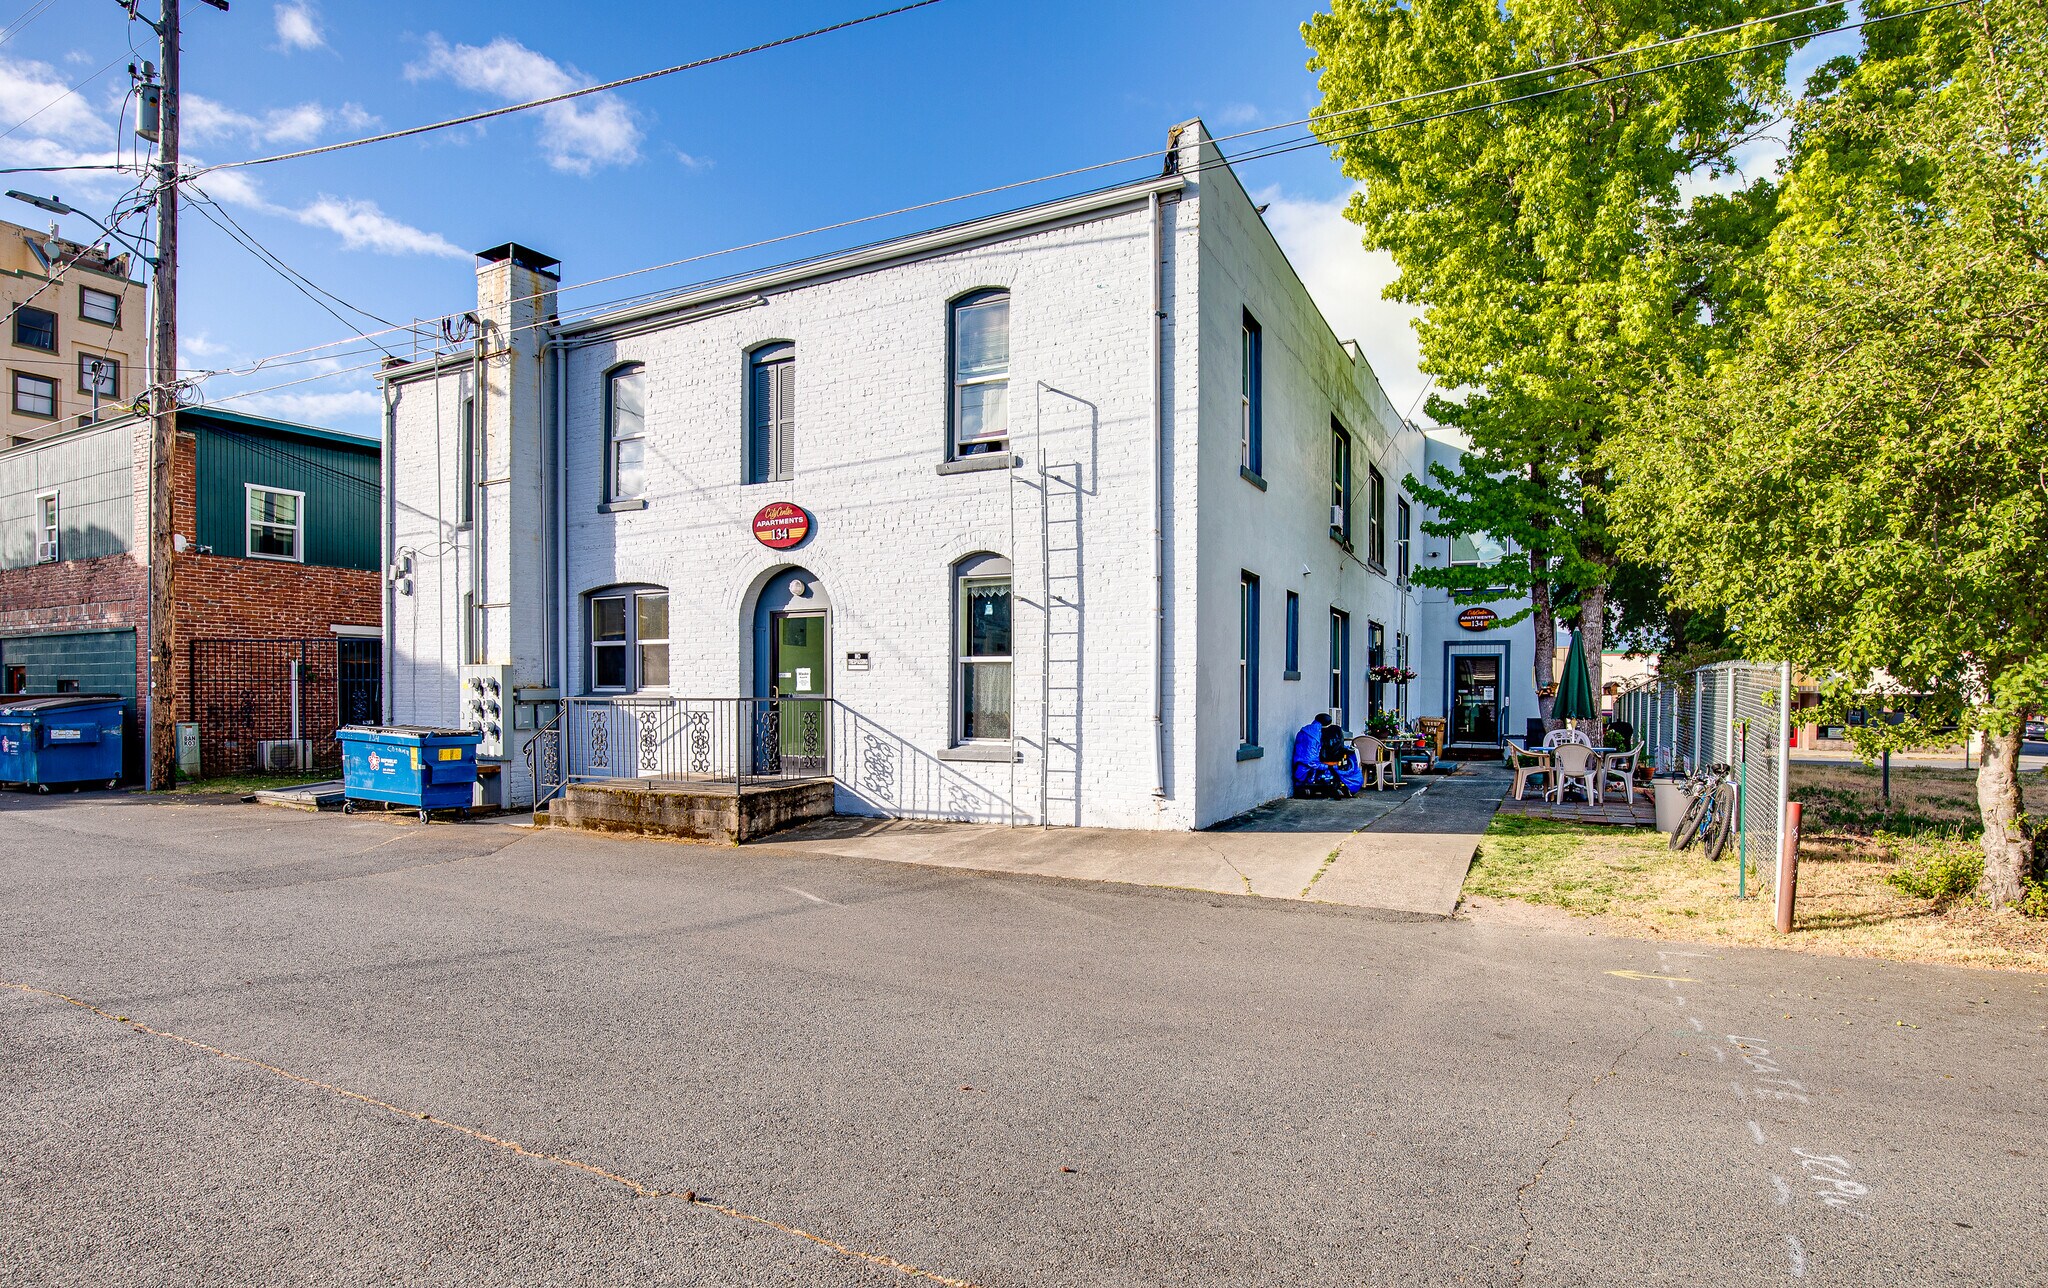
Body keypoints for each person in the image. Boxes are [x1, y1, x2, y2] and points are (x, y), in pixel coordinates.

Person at [1293, 713, 1364, 798]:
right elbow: (1310, 759)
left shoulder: (1306, 731)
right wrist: (1327, 766)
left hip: (1306, 764)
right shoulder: (1314, 735)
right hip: (1307, 769)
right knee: (1348, 768)